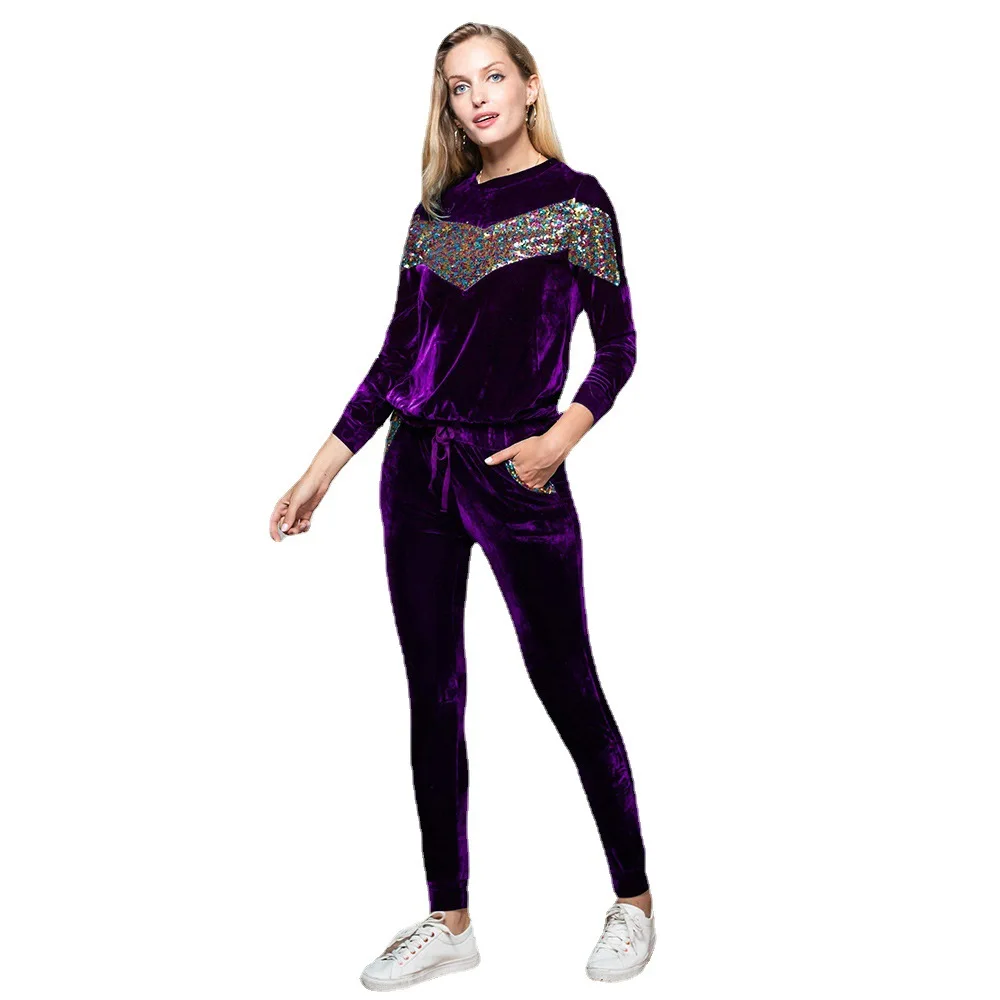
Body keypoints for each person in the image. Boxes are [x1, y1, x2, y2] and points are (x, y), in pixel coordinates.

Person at [270, 22, 654, 988]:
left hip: (518, 465)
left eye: (492, 77)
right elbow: (397, 355)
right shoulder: (435, 212)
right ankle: (451, 919)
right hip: (417, 467)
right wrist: (323, 467)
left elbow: (618, 347)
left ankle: (634, 900)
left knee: (565, 678)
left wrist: (559, 440)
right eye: (457, 85)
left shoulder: (578, 204)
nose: (477, 97)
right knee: (432, 691)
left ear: (529, 86)